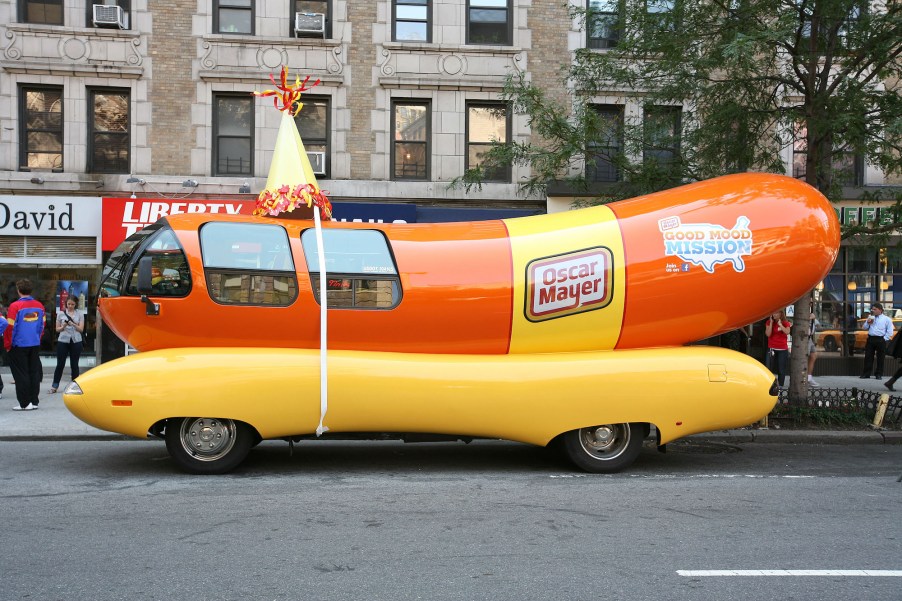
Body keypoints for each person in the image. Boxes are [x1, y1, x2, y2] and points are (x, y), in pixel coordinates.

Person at [4, 279, 45, 410]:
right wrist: (37, 338)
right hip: (34, 343)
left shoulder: (14, 306)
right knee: (33, 372)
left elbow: (10, 327)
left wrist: (8, 344)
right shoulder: (39, 306)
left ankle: (25, 403)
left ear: (18, 290)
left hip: (18, 345)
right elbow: (42, 326)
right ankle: (34, 402)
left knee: (21, 374)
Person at [50, 297, 84, 394]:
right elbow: (57, 329)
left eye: (72, 304)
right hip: (63, 341)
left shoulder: (80, 314)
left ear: (75, 304)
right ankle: (54, 386)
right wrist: (64, 326)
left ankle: (75, 386)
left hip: (76, 340)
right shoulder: (61, 314)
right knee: (60, 364)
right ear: (66, 304)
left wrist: (73, 324)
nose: (70, 306)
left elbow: (81, 329)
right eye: (69, 304)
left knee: (74, 364)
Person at [860, 302, 893, 380]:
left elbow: (890, 331)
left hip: (881, 339)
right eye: (872, 309)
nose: (873, 310)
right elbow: (864, 328)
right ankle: (866, 374)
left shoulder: (886, 319)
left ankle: (879, 374)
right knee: (868, 356)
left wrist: (884, 339)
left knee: (880, 357)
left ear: (880, 310)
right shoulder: (871, 317)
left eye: (875, 309)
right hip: (871, 339)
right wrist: (868, 322)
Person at [765, 310, 791, 387]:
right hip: (771, 348)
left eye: (776, 313)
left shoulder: (785, 322)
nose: (774, 314)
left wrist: (780, 325)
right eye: (773, 313)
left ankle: (781, 387)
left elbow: (787, 332)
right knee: (768, 368)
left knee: (781, 369)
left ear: (781, 314)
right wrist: (771, 323)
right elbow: (768, 334)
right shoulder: (769, 322)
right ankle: (769, 385)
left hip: (782, 349)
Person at [807, 312, 820, 387]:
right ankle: (804, 378)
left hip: (810, 338)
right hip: (804, 338)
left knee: (813, 355)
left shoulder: (811, 314)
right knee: (805, 357)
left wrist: (813, 319)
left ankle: (809, 377)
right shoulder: (803, 314)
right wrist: (808, 318)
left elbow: (818, 325)